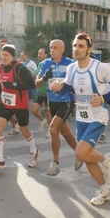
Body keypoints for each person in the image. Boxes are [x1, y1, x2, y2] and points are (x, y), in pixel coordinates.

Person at [50, 33, 110, 205]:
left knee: (80, 153)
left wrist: (104, 98)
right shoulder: (71, 68)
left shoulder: (100, 68)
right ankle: (105, 190)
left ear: (89, 49)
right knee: (85, 156)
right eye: (75, 45)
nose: (76, 49)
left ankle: (107, 160)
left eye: (81, 46)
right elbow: (66, 90)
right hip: (82, 116)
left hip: (98, 117)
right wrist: (57, 88)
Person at [0, 44, 40, 169]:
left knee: (24, 131)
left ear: (12, 56)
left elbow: (31, 84)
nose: (4, 57)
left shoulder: (20, 68)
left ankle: (34, 152)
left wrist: (14, 85)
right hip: (6, 103)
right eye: (2, 55)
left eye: (6, 55)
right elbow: (4, 84)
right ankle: (0, 160)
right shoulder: (1, 68)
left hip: (20, 105)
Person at [35, 39, 80, 176]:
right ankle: (79, 153)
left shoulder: (71, 64)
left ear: (62, 49)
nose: (52, 50)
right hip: (52, 102)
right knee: (65, 132)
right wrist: (44, 78)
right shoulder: (45, 63)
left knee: (53, 129)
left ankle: (55, 163)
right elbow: (36, 83)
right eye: (51, 47)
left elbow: (78, 82)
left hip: (66, 101)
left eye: (55, 47)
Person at [32, 48, 52, 132]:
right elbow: (37, 76)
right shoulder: (40, 64)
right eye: (38, 53)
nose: (39, 55)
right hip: (40, 91)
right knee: (34, 110)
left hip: (48, 92)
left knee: (48, 112)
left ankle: (50, 130)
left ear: (46, 55)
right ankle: (43, 121)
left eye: (41, 53)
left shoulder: (50, 64)